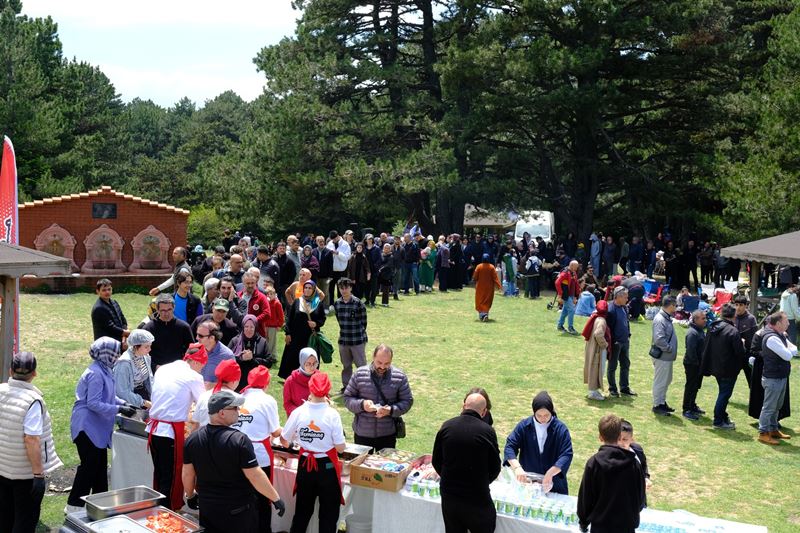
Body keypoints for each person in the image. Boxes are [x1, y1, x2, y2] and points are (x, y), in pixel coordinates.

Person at [183, 390, 285, 533]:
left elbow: (188, 474)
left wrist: (190, 495)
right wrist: (275, 498)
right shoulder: (239, 440)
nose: (239, 411)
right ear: (222, 413)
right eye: (235, 408)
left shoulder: (192, 439)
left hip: (208, 509)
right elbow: (255, 475)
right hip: (237, 512)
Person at [66, 338, 136, 513]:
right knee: (89, 468)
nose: (117, 356)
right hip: (87, 427)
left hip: (97, 427)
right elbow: (93, 403)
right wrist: (119, 409)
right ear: (106, 354)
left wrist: (124, 403)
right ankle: (73, 506)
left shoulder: (104, 369)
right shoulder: (96, 374)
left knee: (99, 468)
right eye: (115, 353)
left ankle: (100, 503)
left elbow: (109, 395)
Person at [0, 352, 63, 532]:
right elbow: (32, 439)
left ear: (11, 371)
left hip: (2, 469)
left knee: (4, 519)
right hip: (24, 476)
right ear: (34, 373)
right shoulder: (33, 401)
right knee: (24, 522)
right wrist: (38, 475)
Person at [280, 372, 346, 533]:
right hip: (326, 466)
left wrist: (298, 440)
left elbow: (284, 440)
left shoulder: (299, 412)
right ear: (328, 390)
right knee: (328, 514)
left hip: (305, 464)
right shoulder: (332, 414)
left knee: (302, 511)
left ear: (310, 388)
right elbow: (340, 448)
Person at [147, 344, 207, 510]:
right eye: (202, 366)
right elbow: (203, 404)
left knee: (160, 474)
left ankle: (159, 512)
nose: (201, 370)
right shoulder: (194, 377)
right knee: (172, 478)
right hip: (170, 432)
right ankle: (167, 514)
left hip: (154, 429)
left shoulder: (163, 369)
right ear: (196, 362)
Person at [432, 392, 501, 533]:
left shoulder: (447, 426)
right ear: (484, 412)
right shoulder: (487, 431)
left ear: (464, 406)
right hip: (477, 496)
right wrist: (482, 481)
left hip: (450, 495)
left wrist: (448, 478)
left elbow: (436, 460)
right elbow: (495, 467)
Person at [577, 414, 645, 533]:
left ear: (600, 437)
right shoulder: (634, 464)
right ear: (619, 436)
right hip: (626, 527)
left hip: (600, 527)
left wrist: (583, 522)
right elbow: (640, 499)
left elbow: (586, 498)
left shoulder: (593, 463)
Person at [343, 344, 414, 451]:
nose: (382, 367)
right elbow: (347, 398)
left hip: (387, 434)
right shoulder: (359, 374)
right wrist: (362, 405)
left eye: (387, 363)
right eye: (379, 362)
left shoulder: (400, 377)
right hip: (363, 433)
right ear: (373, 357)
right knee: (363, 462)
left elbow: (407, 401)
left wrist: (391, 410)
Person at [237, 366, 282, 532]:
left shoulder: (240, 397)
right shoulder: (268, 400)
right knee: (263, 498)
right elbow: (275, 431)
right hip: (259, 456)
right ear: (266, 384)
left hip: (237, 452)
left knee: (242, 497)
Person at [504, 391, 573, 495]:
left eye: (546, 415)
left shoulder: (561, 429)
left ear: (551, 411)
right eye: (539, 415)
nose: (543, 419)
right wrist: (517, 468)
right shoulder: (524, 426)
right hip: (528, 483)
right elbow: (510, 446)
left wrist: (550, 473)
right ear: (534, 412)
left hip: (554, 484)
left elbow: (567, 454)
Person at [700, 303, 746, 430]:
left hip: (715, 366)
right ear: (734, 315)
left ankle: (722, 416)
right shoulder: (732, 331)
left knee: (723, 393)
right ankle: (718, 421)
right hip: (728, 369)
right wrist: (742, 344)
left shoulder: (713, 327)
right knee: (724, 394)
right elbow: (739, 352)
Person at [756, 312, 796, 445]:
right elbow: (788, 355)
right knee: (769, 407)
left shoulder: (780, 335)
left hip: (779, 377)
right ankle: (763, 433)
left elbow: (794, 348)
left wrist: (790, 350)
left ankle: (773, 429)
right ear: (778, 323)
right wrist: (790, 350)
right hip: (773, 378)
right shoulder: (772, 338)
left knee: (777, 406)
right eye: (786, 321)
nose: (788, 323)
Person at [278, 280, 326, 380]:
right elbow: (289, 319)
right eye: (306, 288)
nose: (307, 290)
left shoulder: (318, 303)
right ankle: (291, 378)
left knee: (309, 358)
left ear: (314, 290)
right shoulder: (297, 301)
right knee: (293, 357)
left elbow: (322, 319)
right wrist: (288, 333)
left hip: (310, 337)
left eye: (310, 288)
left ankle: (309, 377)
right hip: (295, 337)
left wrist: (316, 323)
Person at [142, 294, 194, 373]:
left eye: (169, 309)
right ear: (157, 310)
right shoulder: (148, 329)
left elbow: (192, 350)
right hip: (155, 371)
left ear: (174, 308)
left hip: (178, 370)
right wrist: (155, 367)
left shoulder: (184, 327)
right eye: (163, 310)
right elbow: (141, 354)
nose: (166, 313)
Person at [333, 278, 368, 391]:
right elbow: (339, 320)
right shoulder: (337, 303)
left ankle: (364, 387)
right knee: (346, 365)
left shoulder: (358, 303)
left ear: (351, 288)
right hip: (344, 340)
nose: (344, 290)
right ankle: (347, 386)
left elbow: (364, 322)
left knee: (361, 366)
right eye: (341, 288)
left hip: (357, 340)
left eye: (346, 288)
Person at [192, 359, 242, 428]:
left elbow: (196, 424)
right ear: (234, 381)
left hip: (204, 434)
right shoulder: (239, 399)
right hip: (228, 435)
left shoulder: (203, 396)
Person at [229, 314, 274, 391]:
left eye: (251, 327)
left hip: (256, 384)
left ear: (255, 327)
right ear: (243, 327)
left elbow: (269, 363)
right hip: (236, 383)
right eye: (246, 326)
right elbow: (227, 360)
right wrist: (241, 358)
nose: (249, 329)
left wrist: (253, 359)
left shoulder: (262, 342)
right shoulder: (235, 341)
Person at [114, 329, 155, 409]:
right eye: (146, 347)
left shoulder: (144, 356)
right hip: (130, 401)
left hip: (143, 394)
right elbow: (122, 392)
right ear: (135, 346)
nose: (150, 349)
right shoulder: (124, 363)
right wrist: (144, 402)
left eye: (150, 346)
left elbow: (149, 380)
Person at [651, 296, 678, 416]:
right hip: (662, 356)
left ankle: (661, 402)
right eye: (675, 305)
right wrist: (669, 348)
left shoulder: (665, 318)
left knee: (666, 380)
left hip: (666, 357)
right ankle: (657, 405)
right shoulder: (660, 319)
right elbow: (659, 339)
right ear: (671, 305)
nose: (676, 308)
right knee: (660, 381)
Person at [607, 287, 636, 397]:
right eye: (625, 297)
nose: (627, 299)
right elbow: (608, 329)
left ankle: (624, 387)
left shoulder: (624, 307)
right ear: (618, 297)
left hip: (625, 341)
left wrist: (628, 335)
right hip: (616, 343)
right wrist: (613, 342)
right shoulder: (611, 310)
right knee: (612, 366)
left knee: (625, 365)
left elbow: (626, 322)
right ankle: (612, 388)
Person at [582, 300, 610, 401]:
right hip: (597, 350)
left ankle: (593, 390)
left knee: (593, 368)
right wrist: (605, 345)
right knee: (596, 369)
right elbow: (598, 334)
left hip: (591, 347)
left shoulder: (595, 317)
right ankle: (593, 392)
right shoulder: (602, 320)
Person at [682, 310, 707, 420]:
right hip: (692, 364)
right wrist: (697, 364)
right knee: (691, 386)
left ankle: (692, 405)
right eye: (703, 318)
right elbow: (691, 351)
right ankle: (687, 409)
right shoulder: (692, 333)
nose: (705, 320)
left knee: (696, 386)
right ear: (696, 319)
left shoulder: (700, 331)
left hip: (698, 364)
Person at [619, 420, 652, 500]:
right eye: (618, 439)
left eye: (625, 439)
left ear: (632, 439)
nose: (620, 443)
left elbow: (643, 466)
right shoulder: (610, 457)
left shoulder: (637, 450)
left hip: (639, 498)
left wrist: (646, 478)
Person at [283, 348, 319, 417]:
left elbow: (325, 397)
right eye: (308, 364)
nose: (312, 367)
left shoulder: (320, 378)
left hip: (316, 418)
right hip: (297, 418)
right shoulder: (290, 381)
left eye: (315, 363)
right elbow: (287, 404)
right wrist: (301, 413)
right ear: (302, 362)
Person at [239, 272, 272, 337]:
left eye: (252, 283)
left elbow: (267, 313)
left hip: (257, 333)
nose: (250, 285)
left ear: (256, 283)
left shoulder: (261, 297)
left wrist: (252, 321)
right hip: (240, 332)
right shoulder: (238, 296)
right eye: (248, 283)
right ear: (243, 283)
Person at [472, 253, 502, 322]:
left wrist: (473, 280)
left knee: (480, 300)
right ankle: (485, 314)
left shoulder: (479, 266)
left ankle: (482, 315)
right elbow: (495, 278)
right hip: (489, 288)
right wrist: (499, 286)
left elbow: (475, 277)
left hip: (480, 287)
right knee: (487, 300)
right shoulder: (491, 267)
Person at [555, 260, 580, 334]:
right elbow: (557, 282)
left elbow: (576, 284)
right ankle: (570, 327)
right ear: (571, 266)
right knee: (571, 310)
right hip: (566, 295)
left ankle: (560, 325)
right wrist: (560, 293)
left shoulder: (573, 273)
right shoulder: (565, 273)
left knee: (565, 311)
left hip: (571, 295)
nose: (577, 269)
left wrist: (576, 295)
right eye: (576, 267)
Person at [326, 231, 351, 303]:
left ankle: (341, 303)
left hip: (341, 270)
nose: (333, 241)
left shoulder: (345, 244)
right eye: (332, 239)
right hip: (332, 270)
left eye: (334, 239)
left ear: (338, 236)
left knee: (341, 288)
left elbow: (347, 257)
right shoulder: (330, 243)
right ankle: (331, 303)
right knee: (330, 288)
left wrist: (338, 253)